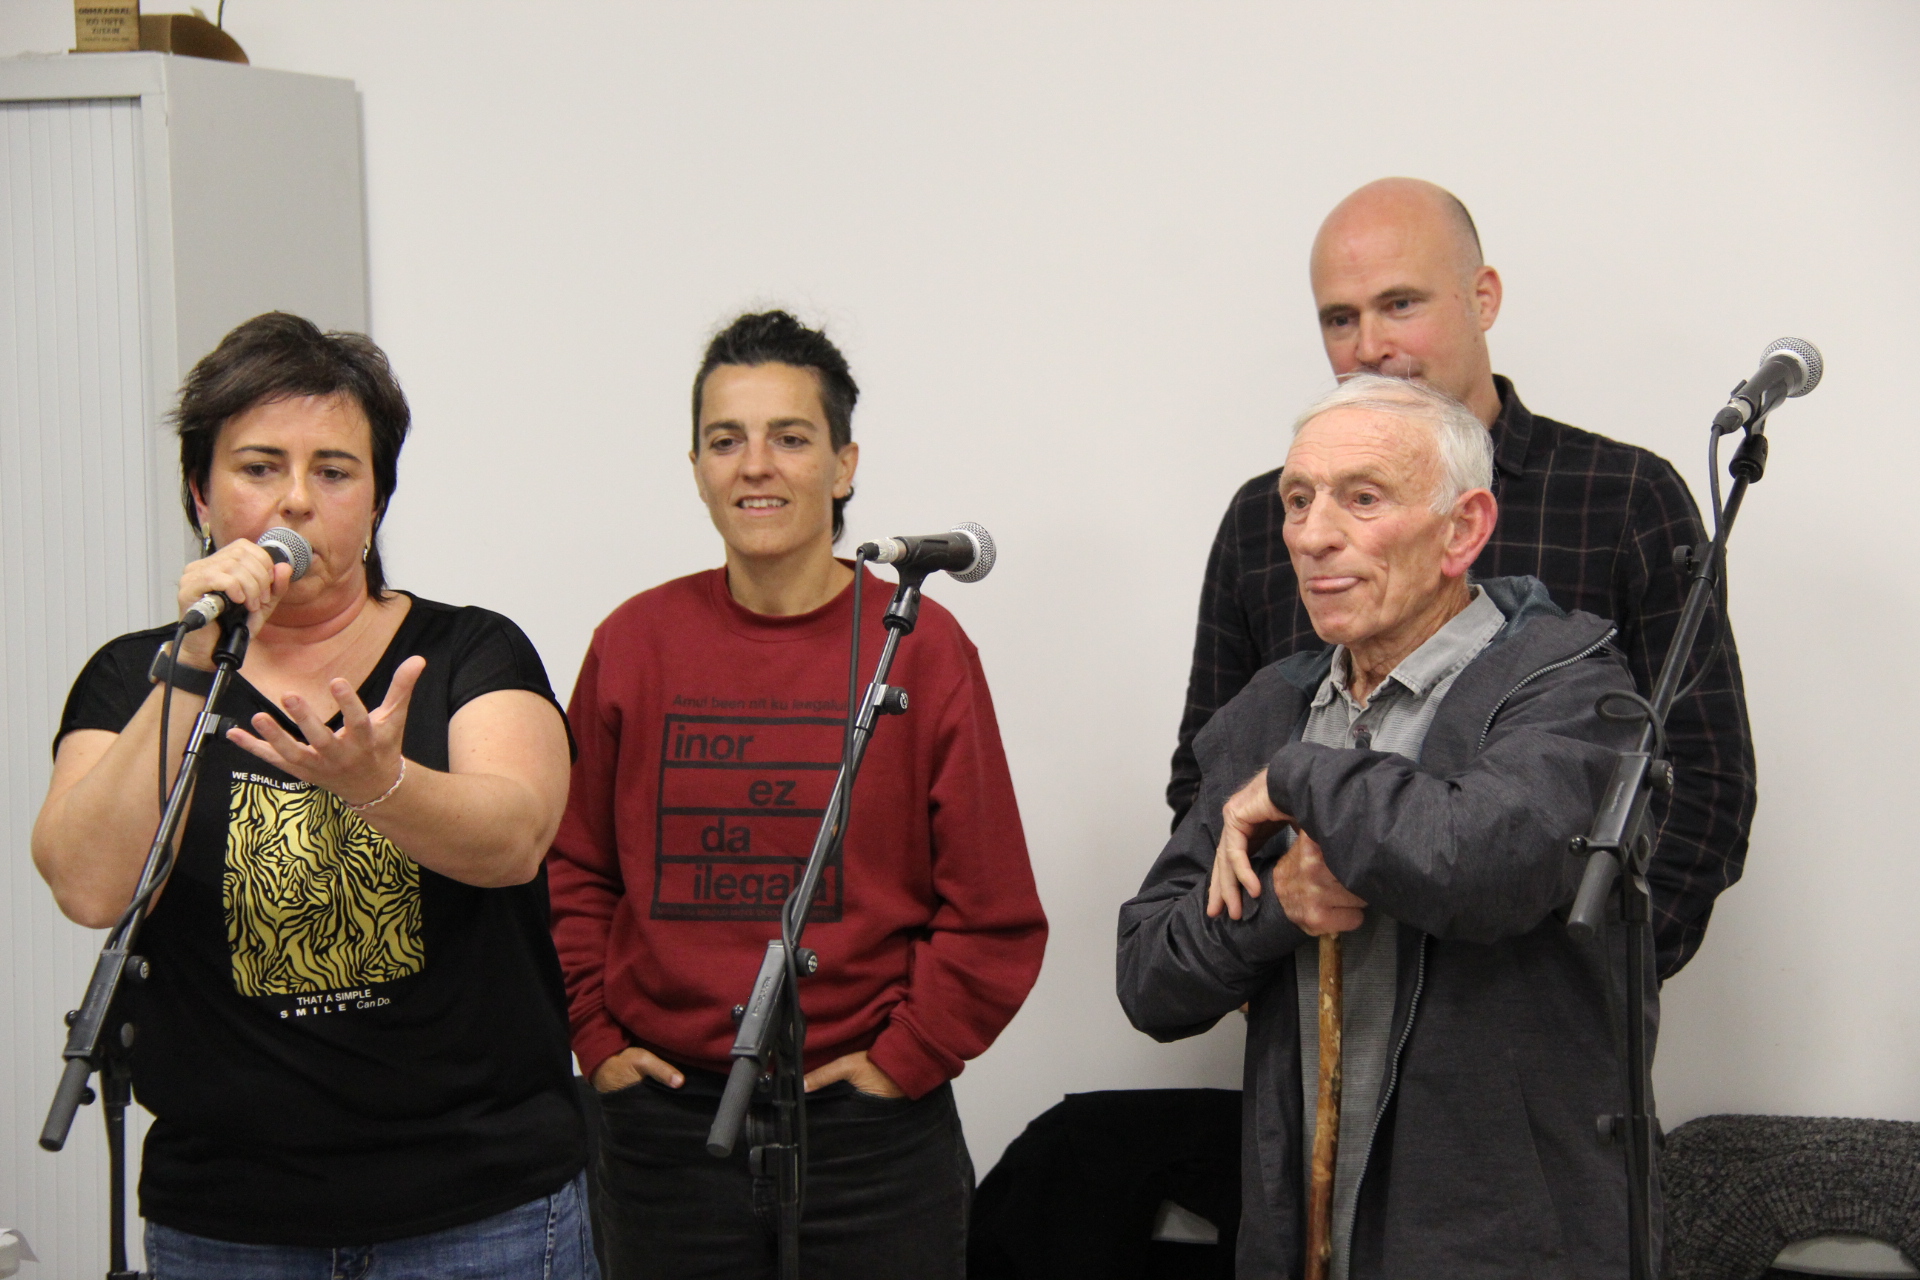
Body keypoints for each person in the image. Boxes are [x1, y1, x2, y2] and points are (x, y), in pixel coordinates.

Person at [31, 313, 595, 1278]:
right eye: (259, 468)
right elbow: (89, 886)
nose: (296, 499)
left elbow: (514, 841)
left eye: (334, 471)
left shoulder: (469, 650)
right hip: (228, 1218)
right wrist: (196, 655)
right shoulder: (137, 677)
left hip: (479, 1205)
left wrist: (382, 785)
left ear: (376, 501)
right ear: (200, 492)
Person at [547, 309, 1047, 1279]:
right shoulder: (633, 643)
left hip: (867, 1133)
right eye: (725, 440)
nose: (755, 466)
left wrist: (908, 1056)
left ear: (844, 464)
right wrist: (595, 1037)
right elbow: (570, 869)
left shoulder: (920, 645)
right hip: (664, 1128)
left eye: (789, 437)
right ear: (696, 467)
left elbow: (993, 907)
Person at [1120, 376, 1649, 1278]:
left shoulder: (1572, 690)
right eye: (1298, 500)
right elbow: (1148, 977)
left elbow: (1475, 862)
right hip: (1300, 1241)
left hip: (1509, 1245)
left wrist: (1300, 777)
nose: (1312, 534)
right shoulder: (1270, 709)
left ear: (1463, 529)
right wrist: (1278, 906)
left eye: (1362, 498)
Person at [1170, 177, 1755, 979]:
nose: (1369, 345)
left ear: (1483, 298)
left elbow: (1701, 780)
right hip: (1323, 1010)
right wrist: (1260, 945)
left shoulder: (1622, 496)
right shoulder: (1265, 520)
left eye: (1400, 304)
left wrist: (1598, 990)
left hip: (1535, 1023)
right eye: (1340, 318)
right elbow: (1208, 780)